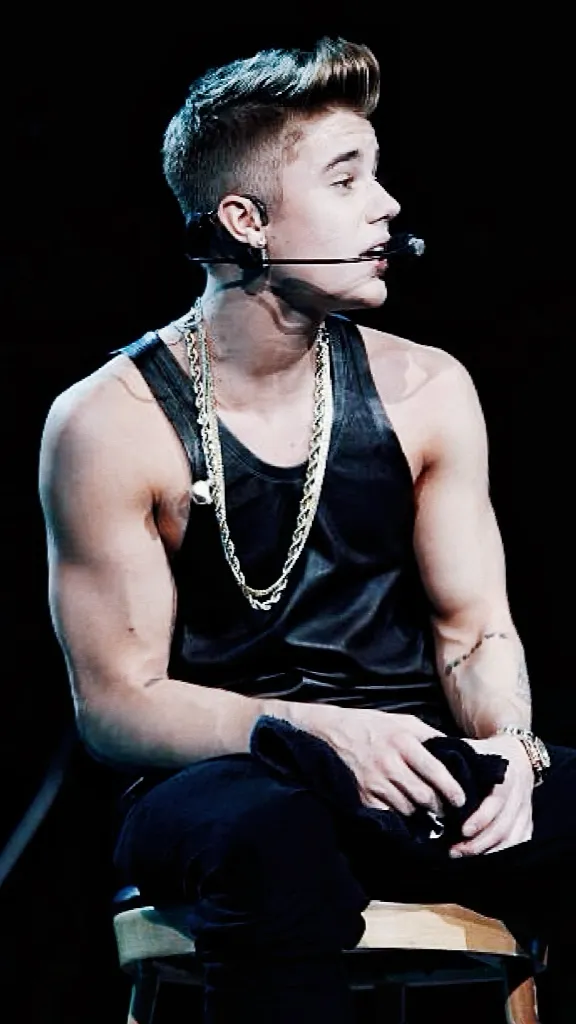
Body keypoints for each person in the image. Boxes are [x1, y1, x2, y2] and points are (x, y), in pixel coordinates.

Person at [39, 37, 575, 1023]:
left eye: (377, 172)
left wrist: (511, 749)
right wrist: (316, 731)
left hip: (410, 759)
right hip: (228, 779)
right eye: (346, 178)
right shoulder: (108, 421)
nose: (388, 205)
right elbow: (118, 705)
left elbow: (474, 631)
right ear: (246, 222)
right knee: (271, 841)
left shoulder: (429, 387)